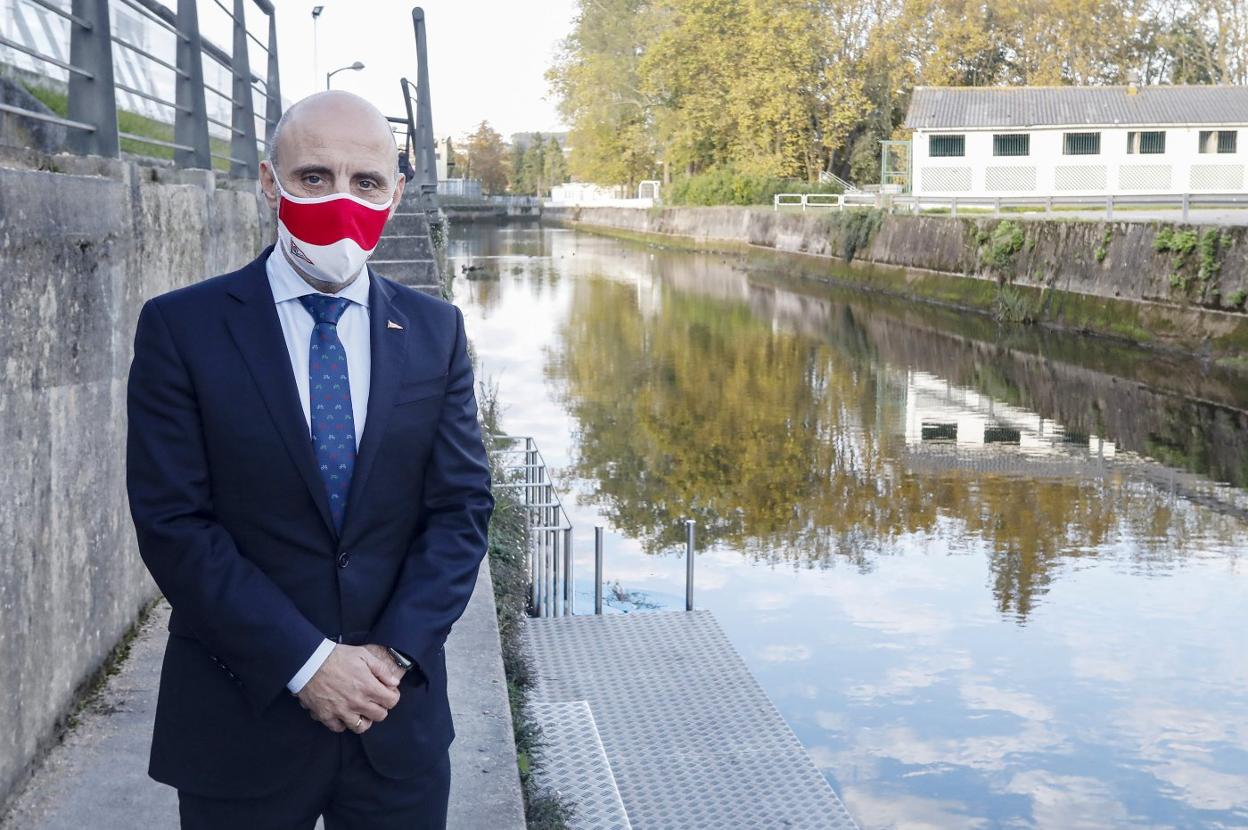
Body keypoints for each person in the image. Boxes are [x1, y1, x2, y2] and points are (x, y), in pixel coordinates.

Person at [125, 90, 493, 829]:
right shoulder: (181, 328)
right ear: (270, 182)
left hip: (396, 724)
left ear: (395, 192)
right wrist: (308, 662)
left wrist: (391, 656)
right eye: (314, 177)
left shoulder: (436, 332)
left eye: (366, 182)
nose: (341, 200)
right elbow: (175, 523)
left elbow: (460, 510)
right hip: (241, 723)